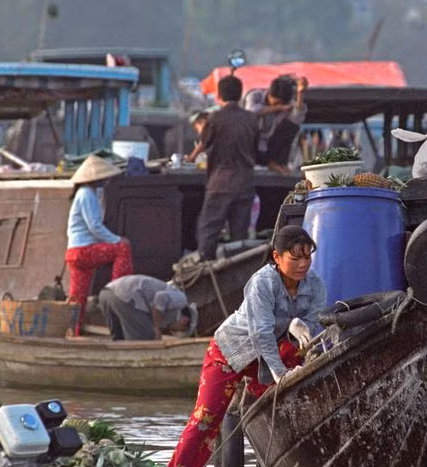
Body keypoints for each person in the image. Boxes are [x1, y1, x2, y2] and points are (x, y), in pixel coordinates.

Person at [159, 225, 326, 467]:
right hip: (232, 351)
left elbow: (314, 324)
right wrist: (280, 374)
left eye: (307, 257)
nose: (302, 264)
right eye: (295, 257)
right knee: (206, 420)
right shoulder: (263, 283)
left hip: (272, 352)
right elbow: (260, 333)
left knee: (286, 407)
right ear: (276, 257)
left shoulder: (315, 285)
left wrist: (301, 328)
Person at [65, 154, 133, 335]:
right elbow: (95, 226)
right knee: (122, 248)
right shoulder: (87, 194)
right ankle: (119, 290)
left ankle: (74, 331)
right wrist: (117, 239)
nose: (106, 181)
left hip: (74, 254)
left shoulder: (87, 193)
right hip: (83, 251)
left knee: (78, 298)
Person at [194, 75, 260, 262]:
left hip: (220, 183)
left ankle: (205, 270)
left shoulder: (215, 118)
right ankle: (236, 273)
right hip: (245, 182)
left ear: (220, 95)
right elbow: (257, 150)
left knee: (209, 229)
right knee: (240, 236)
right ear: (240, 95)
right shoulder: (251, 119)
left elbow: (205, 144)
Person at [98, 274, 197, 341]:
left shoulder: (167, 313)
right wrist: (156, 328)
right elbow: (160, 297)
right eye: (179, 330)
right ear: (184, 321)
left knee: (119, 340)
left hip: (106, 293)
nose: (174, 331)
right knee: (148, 338)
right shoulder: (181, 299)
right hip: (125, 296)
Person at [243, 74, 308, 175]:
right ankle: (270, 164)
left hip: (272, 145)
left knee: (292, 127)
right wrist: (279, 108)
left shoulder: (288, 104)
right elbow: (250, 112)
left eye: (280, 103)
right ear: (269, 94)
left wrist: (300, 94)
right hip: (252, 144)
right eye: (276, 103)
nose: (277, 105)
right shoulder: (255, 96)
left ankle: (276, 163)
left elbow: (297, 117)